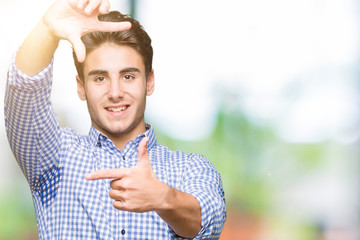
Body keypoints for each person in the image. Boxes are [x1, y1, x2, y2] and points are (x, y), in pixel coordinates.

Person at [4, 0, 226, 239]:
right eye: (100, 78)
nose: (115, 92)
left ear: (149, 81)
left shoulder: (190, 169)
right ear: (81, 88)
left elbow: (209, 222)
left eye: (128, 76)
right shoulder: (54, 157)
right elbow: (24, 98)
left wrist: (162, 197)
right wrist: (47, 30)